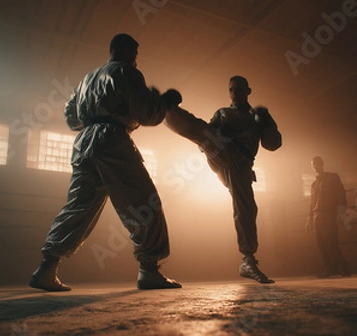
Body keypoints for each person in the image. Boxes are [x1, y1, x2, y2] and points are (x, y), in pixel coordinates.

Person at [29, 33, 182, 291]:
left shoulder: (86, 79)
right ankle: (149, 270)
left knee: (79, 206)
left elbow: (71, 118)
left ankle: (46, 268)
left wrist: (94, 119)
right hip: (112, 140)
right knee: (145, 203)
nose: (136, 60)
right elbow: (146, 114)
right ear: (129, 53)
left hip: (84, 143)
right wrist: (163, 103)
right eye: (135, 55)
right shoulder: (128, 73)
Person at [164, 76, 282, 284]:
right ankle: (167, 110)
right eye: (231, 89)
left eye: (238, 89)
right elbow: (204, 132)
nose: (234, 92)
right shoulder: (223, 113)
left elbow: (273, 144)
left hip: (242, 164)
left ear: (248, 90)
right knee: (203, 130)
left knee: (245, 207)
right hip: (222, 151)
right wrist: (211, 145)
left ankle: (247, 260)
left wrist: (267, 120)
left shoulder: (256, 117)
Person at [306, 156, 351, 278]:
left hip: (328, 212)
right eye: (313, 164)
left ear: (322, 164)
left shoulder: (332, 177)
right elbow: (312, 202)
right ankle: (330, 268)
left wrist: (342, 210)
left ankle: (342, 267)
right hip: (317, 215)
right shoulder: (314, 184)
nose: (315, 166)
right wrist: (310, 218)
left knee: (331, 240)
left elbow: (340, 193)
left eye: (317, 163)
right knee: (321, 243)